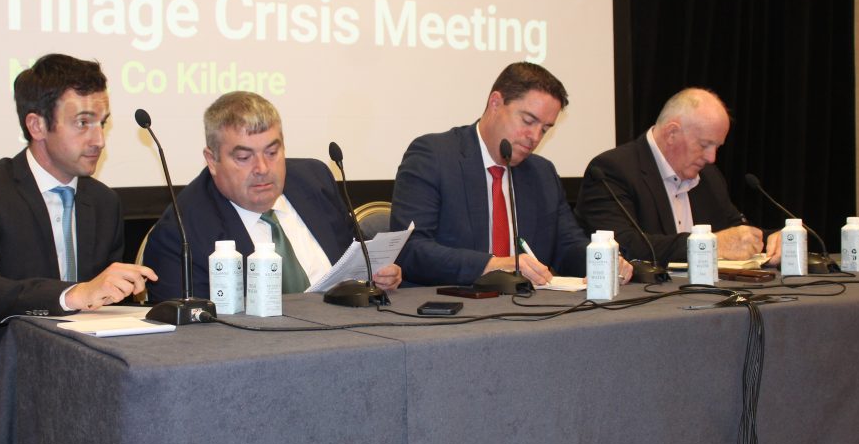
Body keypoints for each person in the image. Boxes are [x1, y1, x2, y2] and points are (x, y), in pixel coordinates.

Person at [0, 53, 156, 444]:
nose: (99, 139)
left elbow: (103, 313)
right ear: (37, 125)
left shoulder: (103, 203)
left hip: (85, 390)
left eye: (102, 123)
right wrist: (74, 295)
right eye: (82, 122)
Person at [390, 61, 633, 287]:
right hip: (452, 307)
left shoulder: (541, 173)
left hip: (525, 309)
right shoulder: (434, 157)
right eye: (528, 121)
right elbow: (410, 249)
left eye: (545, 129)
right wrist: (492, 265)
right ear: (496, 103)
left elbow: (567, 245)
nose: (535, 137)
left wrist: (601, 260)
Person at [144, 91, 401, 302]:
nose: (262, 169)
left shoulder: (314, 181)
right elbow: (190, 339)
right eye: (244, 157)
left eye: (272, 152)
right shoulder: (180, 233)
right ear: (212, 160)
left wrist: (377, 276)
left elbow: (352, 262)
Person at [574, 87, 780, 265]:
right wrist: (708, 245)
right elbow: (624, 246)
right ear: (672, 133)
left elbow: (734, 230)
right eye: (704, 145)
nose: (712, 157)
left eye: (717, 147)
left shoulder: (709, 177)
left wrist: (772, 239)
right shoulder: (612, 170)